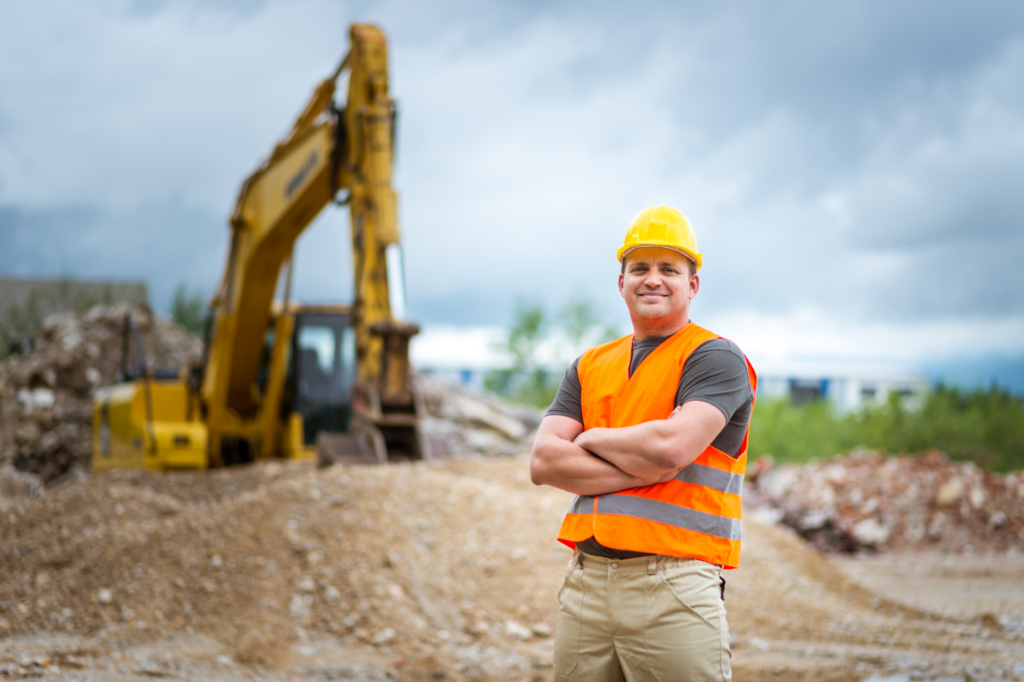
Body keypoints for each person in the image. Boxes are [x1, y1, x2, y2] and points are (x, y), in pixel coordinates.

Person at [530, 204, 757, 681]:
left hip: (672, 586)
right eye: (640, 268)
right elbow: (544, 461)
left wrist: (591, 438)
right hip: (587, 583)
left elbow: (671, 448)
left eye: (668, 269)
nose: (652, 279)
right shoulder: (590, 365)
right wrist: (644, 466)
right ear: (621, 282)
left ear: (692, 284)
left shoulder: (715, 358)